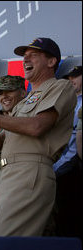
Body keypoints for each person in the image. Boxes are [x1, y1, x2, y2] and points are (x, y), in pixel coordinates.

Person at [0, 37, 77, 236]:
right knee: (17, 246)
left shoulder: (59, 87)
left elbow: (37, 127)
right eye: (25, 56)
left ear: (51, 61)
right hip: (9, 176)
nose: (26, 60)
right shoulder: (24, 103)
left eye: (34, 55)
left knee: (7, 244)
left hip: (29, 172)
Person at [52, 65, 82, 239]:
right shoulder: (68, 104)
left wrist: (58, 167)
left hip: (73, 167)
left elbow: (75, 141)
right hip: (60, 168)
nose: (71, 81)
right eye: (69, 78)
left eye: (76, 77)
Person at [0, 75, 27, 200]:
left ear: (23, 93)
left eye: (9, 91)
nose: (4, 97)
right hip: (2, 188)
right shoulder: (5, 128)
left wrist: (1, 183)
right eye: (1, 93)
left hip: (22, 187)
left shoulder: (29, 119)